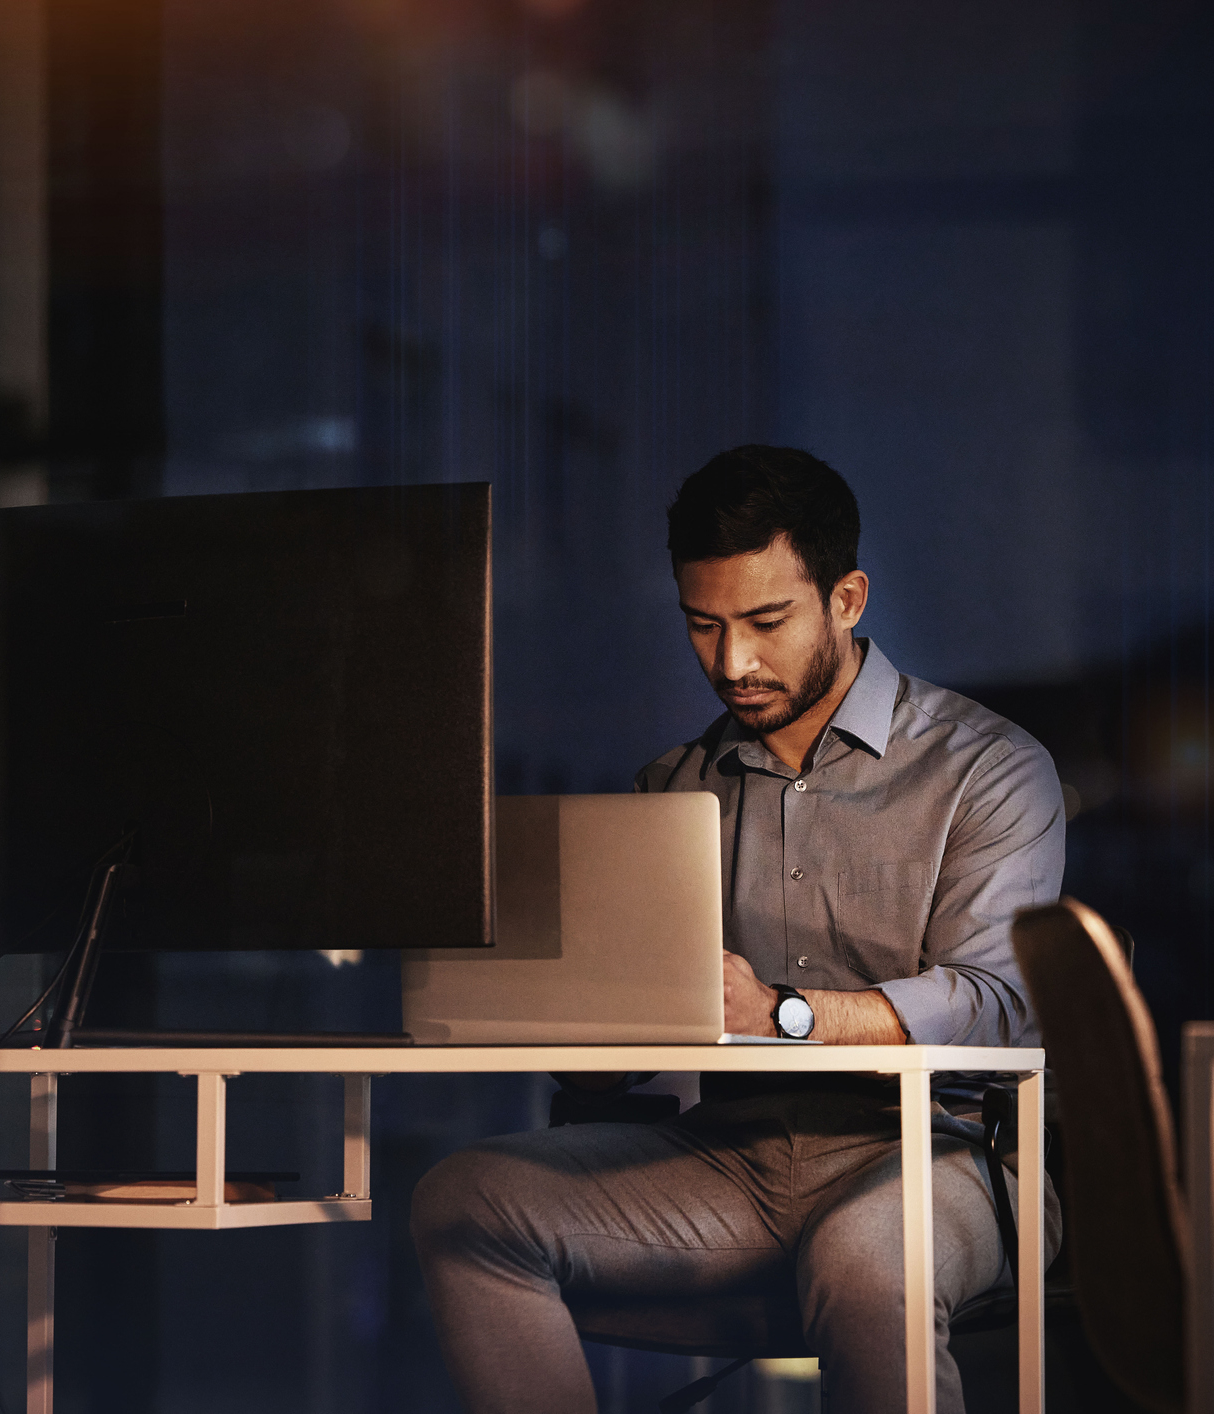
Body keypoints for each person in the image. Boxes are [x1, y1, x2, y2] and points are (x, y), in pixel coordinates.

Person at [410, 445, 1066, 1414]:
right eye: (701, 625)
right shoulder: (668, 789)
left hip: (943, 1154)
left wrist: (781, 1013)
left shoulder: (987, 769)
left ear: (846, 598)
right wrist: (587, 1027)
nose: (731, 662)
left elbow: (995, 1006)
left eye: (764, 622)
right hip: (729, 1159)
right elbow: (625, 1058)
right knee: (462, 1200)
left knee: (865, 1254)